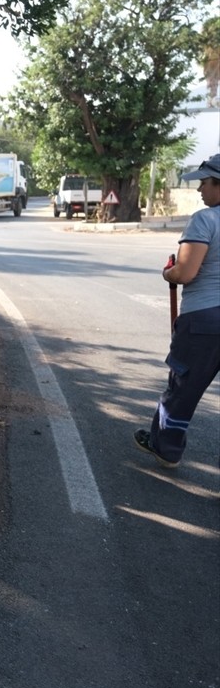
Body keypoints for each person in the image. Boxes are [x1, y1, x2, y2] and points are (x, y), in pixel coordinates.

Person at [134, 153, 220, 468]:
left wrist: (168, 272)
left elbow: (185, 273)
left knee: (182, 390)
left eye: (204, 183)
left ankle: (165, 448)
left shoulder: (206, 220)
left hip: (204, 322)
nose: (200, 190)